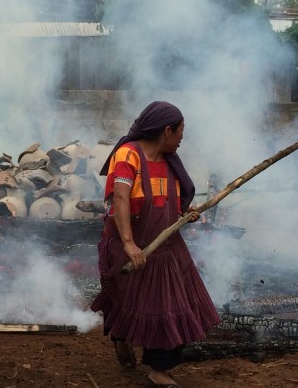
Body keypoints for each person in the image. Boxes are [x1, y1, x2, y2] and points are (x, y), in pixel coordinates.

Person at [90, 101, 221, 388]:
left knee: (173, 305)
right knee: (125, 302)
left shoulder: (170, 160)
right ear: (166, 131)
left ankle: (159, 370)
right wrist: (128, 243)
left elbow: (166, 202)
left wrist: (185, 213)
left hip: (166, 248)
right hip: (130, 246)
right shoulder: (128, 155)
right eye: (180, 132)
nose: (182, 138)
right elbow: (121, 198)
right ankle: (121, 336)